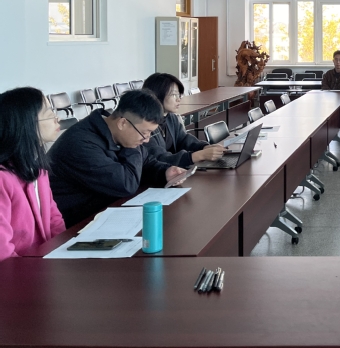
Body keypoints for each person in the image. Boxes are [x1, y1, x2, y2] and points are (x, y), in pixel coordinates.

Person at [48, 90, 186, 227]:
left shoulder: (118, 132)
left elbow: (145, 161)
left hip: (107, 210)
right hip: (76, 225)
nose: (146, 139)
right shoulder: (80, 144)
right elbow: (126, 185)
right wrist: (131, 147)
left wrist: (164, 172)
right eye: (145, 133)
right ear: (123, 123)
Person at [0, 87, 66, 259]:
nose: (57, 118)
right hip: (18, 271)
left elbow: (54, 219)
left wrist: (64, 251)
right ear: (26, 122)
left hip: (43, 263)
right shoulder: (2, 178)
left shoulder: (38, 170)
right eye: (49, 113)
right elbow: (3, 252)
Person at [141, 73, 224, 167]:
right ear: (156, 95)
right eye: (174, 95)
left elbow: (183, 139)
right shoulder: (145, 125)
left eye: (179, 95)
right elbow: (159, 159)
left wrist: (204, 147)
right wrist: (199, 155)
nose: (179, 99)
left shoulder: (171, 117)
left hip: (174, 171)